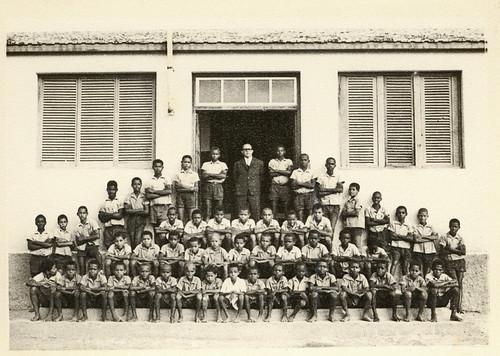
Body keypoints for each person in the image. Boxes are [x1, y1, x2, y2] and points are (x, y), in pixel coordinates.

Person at [439, 218, 466, 313]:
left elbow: (463, 252)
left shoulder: (460, 237)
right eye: (452, 226)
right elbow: (442, 251)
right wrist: (457, 251)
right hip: (449, 262)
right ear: (449, 226)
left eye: (455, 227)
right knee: (455, 283)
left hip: (460, 262)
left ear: (459, 227)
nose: (453, 228)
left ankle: (459, 306)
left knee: (460, 283)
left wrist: (450, 249)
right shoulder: (444, 237)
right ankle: (453, 306)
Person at [233, 143, 265, 221]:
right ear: (242, 152)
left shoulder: (259, 163)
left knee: (255, 211)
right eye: (245, 149)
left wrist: (254, 185)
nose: (247, 151)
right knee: (241, 211)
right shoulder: (237, 164)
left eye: (249, 149)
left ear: (252, 151)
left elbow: (262, 177)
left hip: (254, 190)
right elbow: (235, 177)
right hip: (241, 191)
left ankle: (256, 229)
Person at [316, 157, 344, 233]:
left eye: (332, 164)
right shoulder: (321, 176)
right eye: (328, 164)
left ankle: (330, 244)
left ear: (335, 165)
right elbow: (320, 192)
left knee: (332, 227)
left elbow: (340, 189)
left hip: (335, 205)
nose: (330, 165)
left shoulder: (338, 176)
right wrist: (334, 190)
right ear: (326, 165)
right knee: (324, 227)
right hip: (324, 205)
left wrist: (326, 189)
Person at [200, 147, 228, 220]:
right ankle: (207, 224)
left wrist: (210, 174)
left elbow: (223, 175)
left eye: (216, 154)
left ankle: (219, 223)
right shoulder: (205, 164)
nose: (214, 155)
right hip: (208, 186)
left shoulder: (223, 164)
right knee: (207, 208)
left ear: (219, 155)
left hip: (218, 186)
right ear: (210, 154)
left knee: (219, 207)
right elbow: (204, 176)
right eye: (213, 154)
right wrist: (217, 175)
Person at [268, 145, 293, 220]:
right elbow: (271, 174)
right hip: (274, 186)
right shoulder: (272, 161)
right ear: (276, 152)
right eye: (278, 151)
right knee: (274, 206)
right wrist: (283, 171)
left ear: (284, 152)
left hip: (284, 186)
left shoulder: (288, 161)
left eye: (281, 151)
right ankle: (274, 223)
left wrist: (277, 170)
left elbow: (289, 173)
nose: (280, 152)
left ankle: (286, 224)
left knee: (286, 206)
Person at [73, 206, 101, 275]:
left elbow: (97, 235)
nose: (82, 215)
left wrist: (84, 238)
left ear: (87, 213)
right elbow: (78, 241)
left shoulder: (92, 222)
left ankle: (101, 274)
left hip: (92, 246)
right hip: (82, 248)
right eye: (80, 213)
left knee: (98, 257)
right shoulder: (77, 226)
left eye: (84, 213)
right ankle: (83, 279)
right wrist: (91, 236)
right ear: (77, 214)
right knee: (81, 263)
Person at [124, 177, 150, 250]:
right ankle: (133, 256)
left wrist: (133, 211)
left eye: (138, 184)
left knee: (138, 239)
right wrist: (140, 210)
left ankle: (137, 256)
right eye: (134, 184)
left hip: (141, 220)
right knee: (132, 240)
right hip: (131, 221)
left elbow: (146, 212)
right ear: (132, 185)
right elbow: (127, 211)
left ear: (141, 185)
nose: (136, 186)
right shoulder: (128, 196)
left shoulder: (144, 196)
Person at [145, 159, 172, 228]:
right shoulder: (149, 180)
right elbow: (148, 195)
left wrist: (154, 191)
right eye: (156, 166)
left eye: (159, 167)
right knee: (154, 227)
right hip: (153, 207)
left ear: (162, 168)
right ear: (153, 167)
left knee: (163, 227)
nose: (158, 168)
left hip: (164, 207)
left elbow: (169, 191)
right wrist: (163, 192)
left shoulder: (166, 178)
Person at [388, 206, 414, 276]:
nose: (401, 214)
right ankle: (391, 280)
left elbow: (410, 238)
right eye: (399, 213)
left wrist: (398, 235)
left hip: (406, 248)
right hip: (395, 247)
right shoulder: (393, 223)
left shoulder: (408, 224)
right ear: (396, 214)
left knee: (405, 266)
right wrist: (405, 237)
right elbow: (391, 236)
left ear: (406, 214)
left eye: (403, 213)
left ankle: (405, 281)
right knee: (394, 263)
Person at [98, 180, 125, 249]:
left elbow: (119, 216)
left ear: (116, 190)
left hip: (119, 228)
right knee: (109, 247)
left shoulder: (120, 201)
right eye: (110, 189)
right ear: (107, 190)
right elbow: (101, 218)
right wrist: (114, 214)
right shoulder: (104, 203)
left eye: (113, 189)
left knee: (120, 247)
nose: (111, 191)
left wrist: (107, 214)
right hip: (108, 228)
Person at [173, 155, 200, 224]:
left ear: (191, 164)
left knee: (191, 218)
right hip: (180, 197)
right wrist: (190, 188)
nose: (187, 164)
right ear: (181, 163)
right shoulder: (178, 174)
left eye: (188, 162)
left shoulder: (194, 174)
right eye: (185, 162)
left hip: (191, 198)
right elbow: (177, 188)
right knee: (180, 218)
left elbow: (196, 189)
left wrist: (182, 185)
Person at [290, 153, 316, 223]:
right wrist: (307, 183)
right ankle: (301, 231)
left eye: (305, 160)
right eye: (301, 160)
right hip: (298, 195)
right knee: (299, 215)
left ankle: (309, 231)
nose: (303, 162)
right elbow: (293, 186)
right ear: (299, 161)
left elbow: (312, 185)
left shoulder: (312, 172)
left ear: (308, 161)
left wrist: (300, 183)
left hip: (309, 195)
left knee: (310, 214)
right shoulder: (295, 172)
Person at [413, 208, 439, 276]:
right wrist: (430, 238)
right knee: (419, 268)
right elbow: (417, 240)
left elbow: (436, 237)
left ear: (427, 216)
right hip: (418, 250)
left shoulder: (431, 227)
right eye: (421, 216)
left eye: (424, 216)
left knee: (428, 269)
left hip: (430, 251)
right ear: (418, 216)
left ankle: (426, 283)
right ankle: (421, 284)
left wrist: (423, 236)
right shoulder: (415, 227)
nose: (422, 217)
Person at [341, 182, 364, 248]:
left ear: (358, 191)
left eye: (353, 189)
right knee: (349, 244)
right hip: (349, 225)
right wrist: (347, 213)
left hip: (357, 225)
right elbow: (343, 213)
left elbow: (356, 213)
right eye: (350, 189)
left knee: (357, 243)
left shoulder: (358, 200)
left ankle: (359, 256)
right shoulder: (347, 201)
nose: (351, 191)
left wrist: (347, 213)